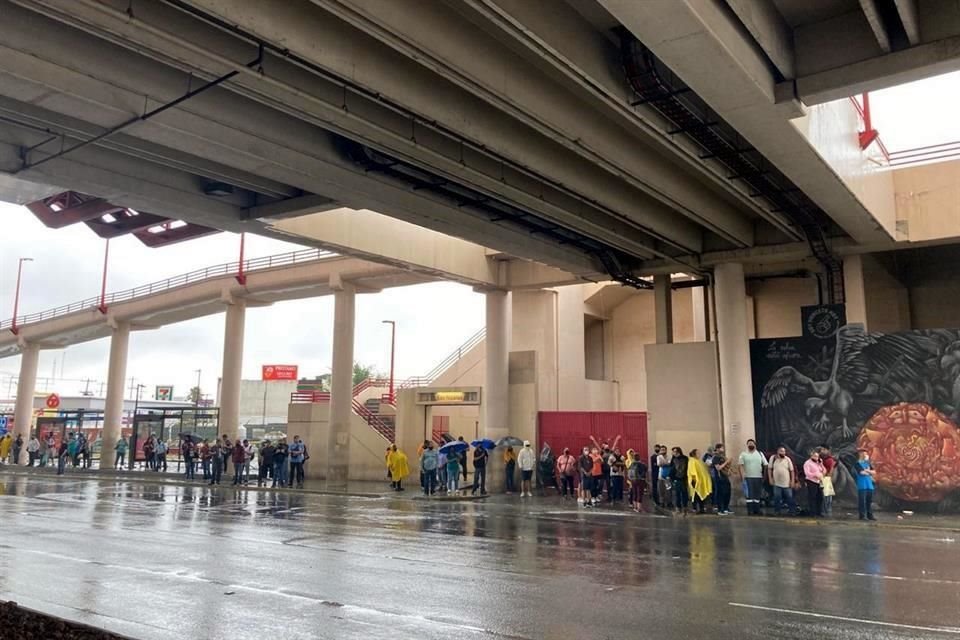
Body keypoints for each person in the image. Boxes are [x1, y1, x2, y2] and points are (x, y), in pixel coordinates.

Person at [738, 439, 768, 515]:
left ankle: (757, 509)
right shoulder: (743, 454)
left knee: (757, 494)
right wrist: (742, 476)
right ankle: (750, 510)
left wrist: (764, 475)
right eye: (749, 444)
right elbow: (740, 465)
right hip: (748, 477)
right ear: (747, 445)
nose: (750, 445)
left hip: (758, 477)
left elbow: (765, 465)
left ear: (755, 445)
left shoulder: (760, 454)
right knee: (749, 494)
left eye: (752, 443)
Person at [768, 446, 797, 516]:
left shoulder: (787, 459)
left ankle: (792, 511)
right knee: (777, 497)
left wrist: (792, 481)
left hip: (786, 483)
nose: (783, 453)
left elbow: (792, 471)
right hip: (776, 482)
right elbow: (769, 469)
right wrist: (770, 478)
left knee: (789, 497)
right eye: (781, 451)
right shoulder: (773, 458)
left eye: (784, 451)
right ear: (777, 452)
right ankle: (777, 511)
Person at [688, 449, 713, 514]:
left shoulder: (699, 461)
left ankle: (701, 508)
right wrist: (694, 480)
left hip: (701, 481)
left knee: (701, 495)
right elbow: (692, 471)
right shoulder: (692, 461)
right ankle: (695, 508)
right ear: (694, 454)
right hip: (695, 481)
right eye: (698, 453)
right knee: (695, 495)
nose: (699, 454)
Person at [803, 450, 825, 518]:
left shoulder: (818, 463)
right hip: (811, 481)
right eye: (815, 456)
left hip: (818, 481)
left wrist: (821, 464)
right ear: (811, 456)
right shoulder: (807, 463)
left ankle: (819, 512)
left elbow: (824, 470)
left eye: (817, 456)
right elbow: (807, 473)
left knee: (820, 497)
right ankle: (813, 513)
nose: (816, 458)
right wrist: (815, 475)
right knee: (812, 497)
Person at [856, 448, 877, 521]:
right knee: (862, 501)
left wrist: (867, 470)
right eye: (864, 453)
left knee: (869, 501)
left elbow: (874, 472)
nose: (865, 455)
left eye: (866, 453)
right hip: (862, 485)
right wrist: (868, 472)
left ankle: (869, 515)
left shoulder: (868, 463)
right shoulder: (857, 464)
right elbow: (861, 473)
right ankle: (862, 515)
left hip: (869, 485)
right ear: (860, 454)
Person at [711, 443, 732, 515]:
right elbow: (718, 468)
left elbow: (726, 467)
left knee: (727, 492)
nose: (722, 449)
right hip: (719, 478)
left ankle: (726, 507)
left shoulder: (722, 457)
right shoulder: (715, 457)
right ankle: (720, 509)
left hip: (725, 477)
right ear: (717, 449)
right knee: (720, 493)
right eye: (721, 448)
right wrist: (727, 462)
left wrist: (729, 470)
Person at [671, 447, 689, 515]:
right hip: (676, 479)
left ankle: (685, 507)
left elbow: (686, 468)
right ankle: (678, 508)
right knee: (677, 494)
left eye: (674, 451)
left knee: (684, 494)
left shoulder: (685, 458)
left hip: (683, 478)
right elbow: (672, 469)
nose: (673, 453)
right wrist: (671, 477)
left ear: (678, 452)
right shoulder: (674, 459)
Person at [820, 446, 837, 517]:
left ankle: (826, 511)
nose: (822, 451)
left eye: (824, 449)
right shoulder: (820, 458)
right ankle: (825, 511)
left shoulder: (829, 459)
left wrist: (827, 478)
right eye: (821, 450)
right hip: (821, 478)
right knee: (825, 496)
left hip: (826, 479)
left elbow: (831, 470)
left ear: (827, 450)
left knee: (827, 497)